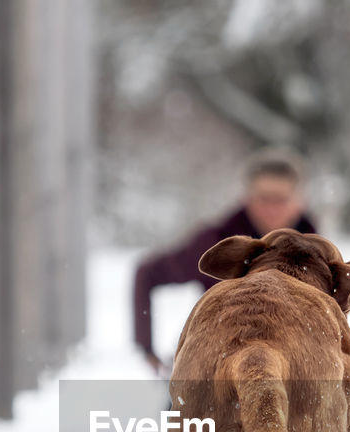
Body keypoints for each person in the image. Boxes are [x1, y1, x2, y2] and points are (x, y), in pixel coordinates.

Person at [132, 148, 318, 373]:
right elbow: (147, 273)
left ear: (299, 202)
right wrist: (147, 349)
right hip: (216, 371)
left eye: (280, 199)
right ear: (247, 198)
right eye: (264, 198)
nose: (271, 209)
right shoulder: (216, 241)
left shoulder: (315, 251)